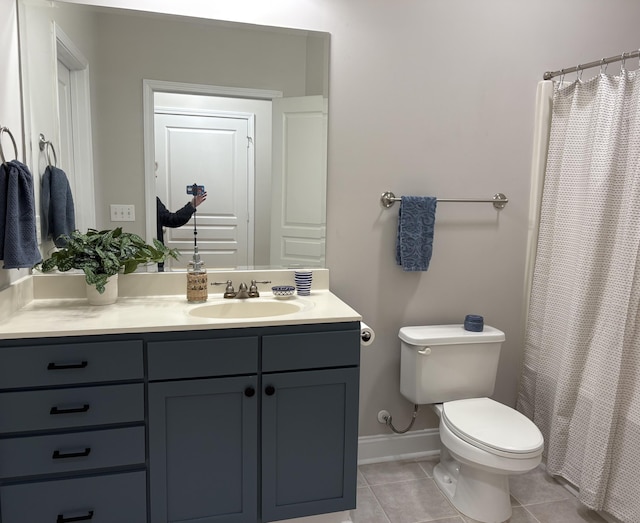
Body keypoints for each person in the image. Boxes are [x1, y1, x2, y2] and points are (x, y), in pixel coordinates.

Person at [156, 191, 207, 270]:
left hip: (157, 259)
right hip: (149, 260)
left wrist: (192, 205)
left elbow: (172, 219)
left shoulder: (154, 201)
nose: (155, 177)